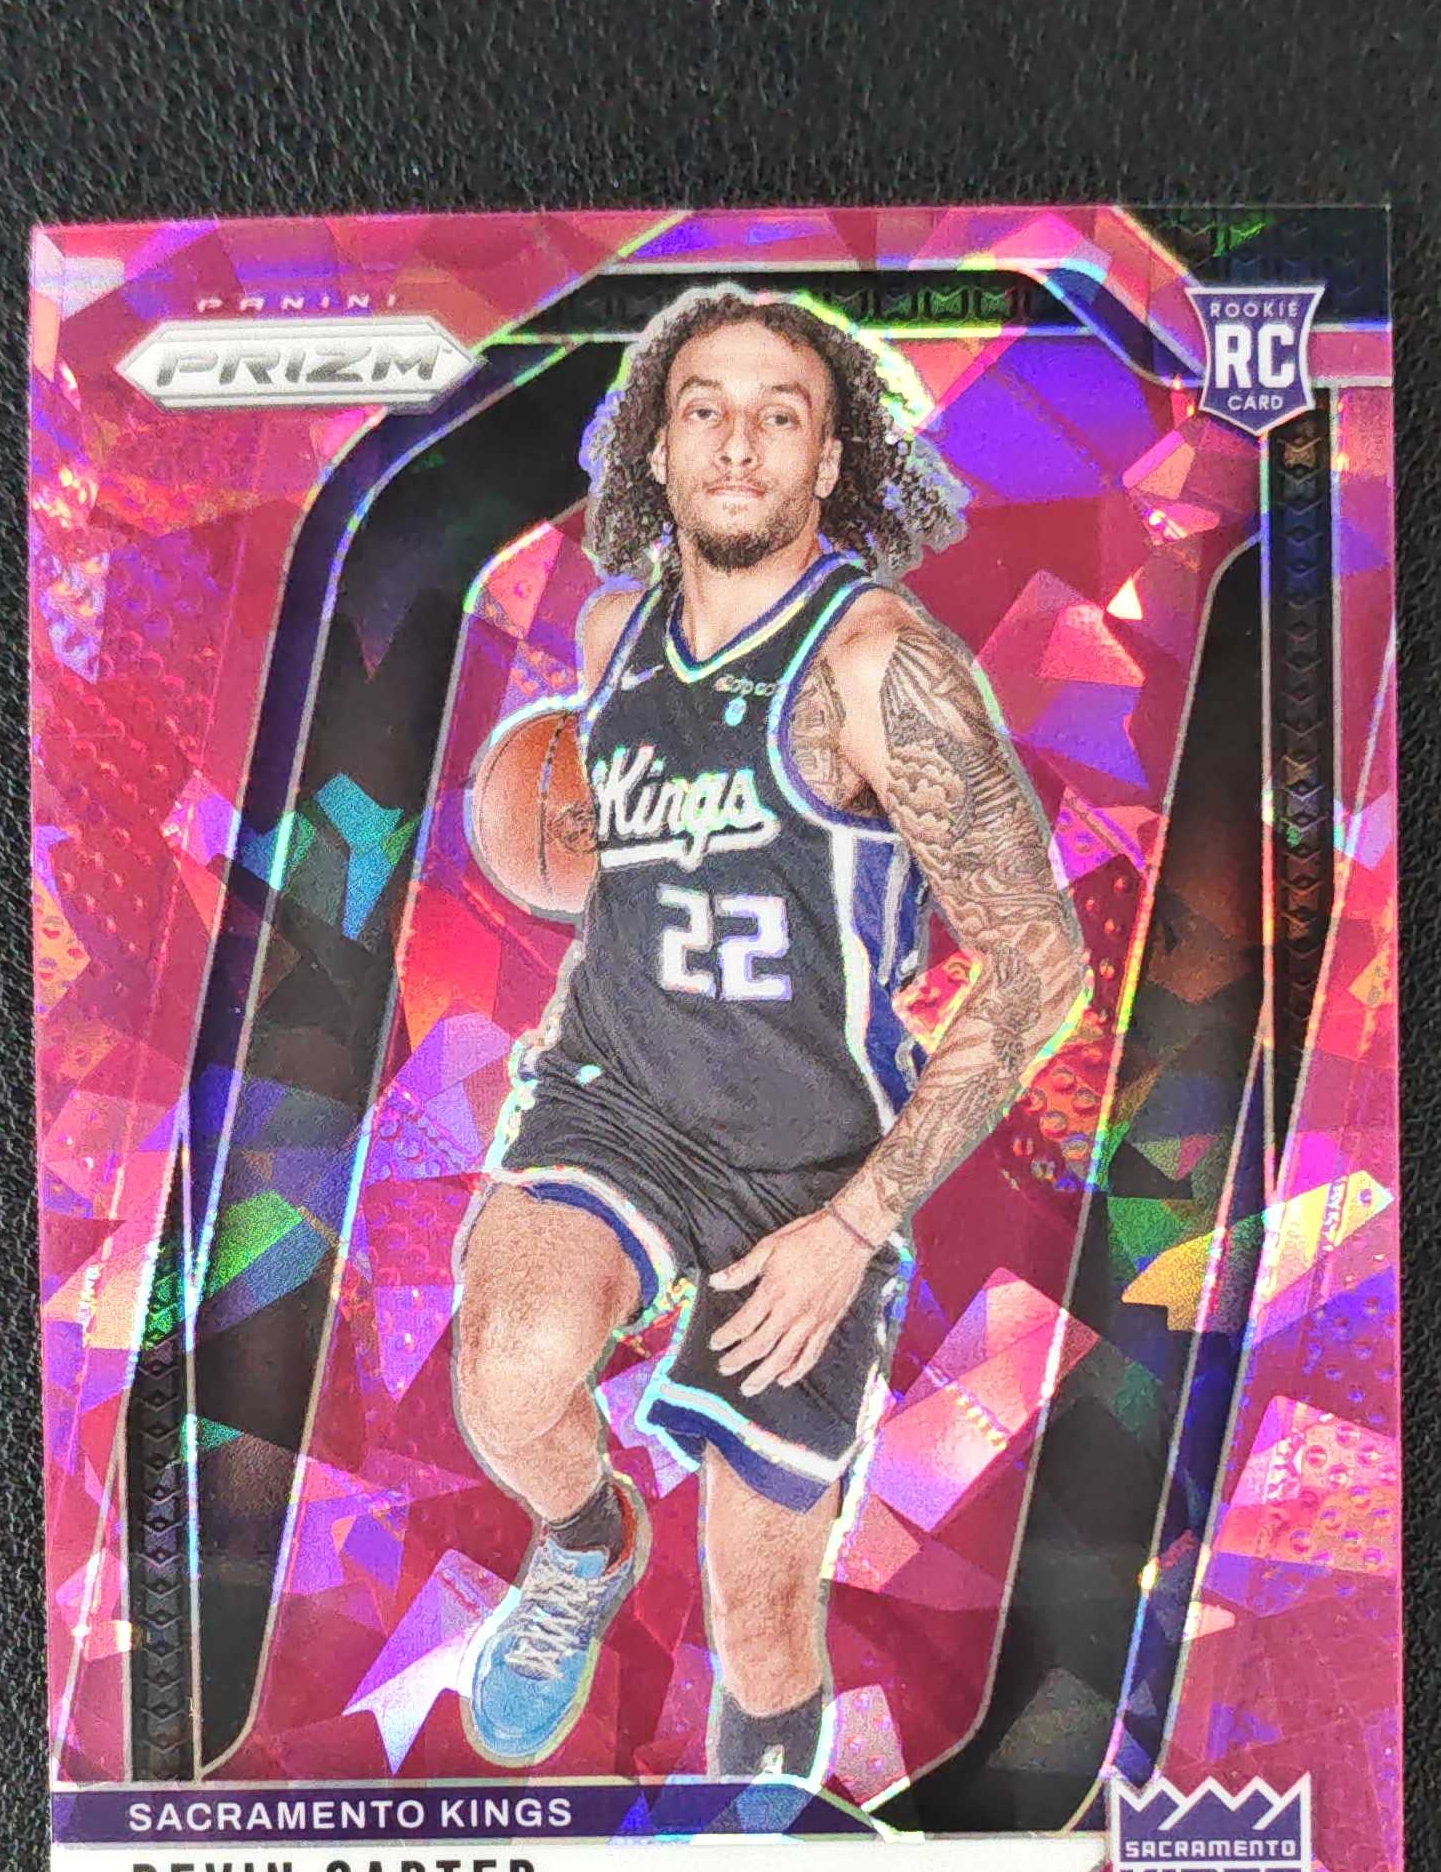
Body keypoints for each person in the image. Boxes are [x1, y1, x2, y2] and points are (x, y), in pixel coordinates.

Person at [454, 285, 1089, 1781]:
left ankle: (759, 1867)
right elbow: (622, 866)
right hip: (616, 1103)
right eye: (705, 411)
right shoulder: (611, 636)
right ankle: (584, 1541)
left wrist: (855, 1227)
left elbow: (1042, 961)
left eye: (779, 415)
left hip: (813, 1167)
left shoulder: (878, 664)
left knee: (760, 1624)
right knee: (507, 1370)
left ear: (829, 460)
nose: (738, 442)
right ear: (657, 452)